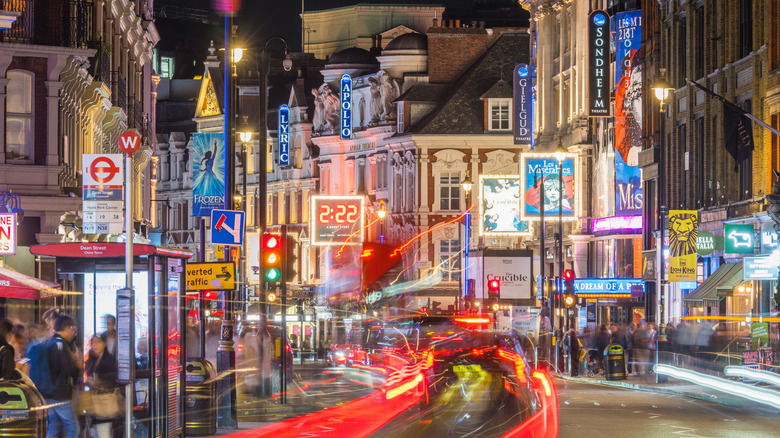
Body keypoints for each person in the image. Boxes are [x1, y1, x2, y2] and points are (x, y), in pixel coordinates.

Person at [45, 315, 82, 438]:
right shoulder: (60, 345)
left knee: (54, 427)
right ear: (66, 327)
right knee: (73, 428)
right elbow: (68, 370)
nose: (73, 333)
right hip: (59, 394)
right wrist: (77, 364)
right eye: (73, 329)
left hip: (49, 393)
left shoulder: (49, 342)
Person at [84, 335, 118, 438]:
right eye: (93, 343)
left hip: (104, 402)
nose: (95, 345)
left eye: (98, 342)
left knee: (103, 431)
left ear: (104, 343)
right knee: (94, 432)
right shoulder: (92, 360)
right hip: (93, 403)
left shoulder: (109, 360)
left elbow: (113, 379)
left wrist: (99, 382)